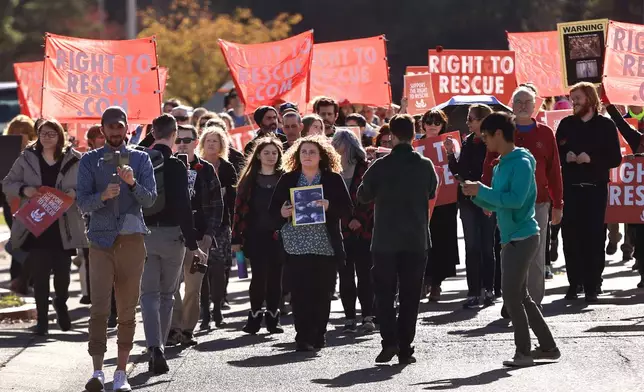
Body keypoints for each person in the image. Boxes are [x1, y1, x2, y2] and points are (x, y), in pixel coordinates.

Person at [462, 112, 560, 367]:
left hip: (522, 236)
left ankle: (524, 353)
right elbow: (498, 201)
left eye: (485, 135)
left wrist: (482, 192)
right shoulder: (503, 162)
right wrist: (476, 194)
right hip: (513, 236)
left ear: (497, 134)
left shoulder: (521, 162)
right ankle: (548, 347)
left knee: (512, 296)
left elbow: (515, 200)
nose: (483, 140)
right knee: (521, 296)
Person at [77, 106, 157, 392]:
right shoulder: (89, 161)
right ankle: (97, 370)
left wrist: (132, 183)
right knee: (98, 308)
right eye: (109, 127)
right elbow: (82, 203)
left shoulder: (140, 158)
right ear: (102, 129)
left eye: (119, 126)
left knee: (126, 308)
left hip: (132, 239)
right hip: (99, 241)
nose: (115, 131)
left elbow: (150, 201)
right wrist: (103, 196)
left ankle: (121, 372)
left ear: (127, 128)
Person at [358, 114, 438, 365]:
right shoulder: (425, 165)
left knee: (384, 293)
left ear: (391, 135)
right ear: (414, 134)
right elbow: (432, 191)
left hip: (385, 240)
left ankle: (389, 342)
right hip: (415, 239)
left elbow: (362, 196)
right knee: (410, 295)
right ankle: (406, 346)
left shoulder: (380, 166)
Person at [3, 119, 87, 336]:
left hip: (63, 227)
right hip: (37, 225)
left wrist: (74, 194)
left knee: (63, 277)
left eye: (52, 133)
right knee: (40, 277)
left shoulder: (74, 159)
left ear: (60, 136)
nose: (47, 137)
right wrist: (25, 190)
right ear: (37, 135)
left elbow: (87, 187)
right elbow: (8, 183)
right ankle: (42, 321)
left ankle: (60, 302)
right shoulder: (27, 158)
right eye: (43, 133)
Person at [269, 135, 352, 352]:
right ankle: (303, 336)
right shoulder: (288, 179)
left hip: (325, 245)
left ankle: (319, 334)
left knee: (322, 292)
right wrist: (282, 212)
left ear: (321, 156)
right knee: (300, 292)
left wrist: (328, 206)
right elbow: (272, 213)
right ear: (297, 155)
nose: (307, 156)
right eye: (303, 152)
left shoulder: (333, 179)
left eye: (312, 152)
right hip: (295, 245)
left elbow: (347, 209)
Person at [140, 114, 207, 374]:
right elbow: (183, 206)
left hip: (143, 235)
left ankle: (153, 345)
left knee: (147, 296)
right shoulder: (178, 166)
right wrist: (193, 245)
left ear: (153, 132)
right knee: (167, 294)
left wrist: (151, 134)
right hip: (172, 237)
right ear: (175, 134)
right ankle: (162, 348)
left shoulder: (140, 159)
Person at [556, 82, 622, 302]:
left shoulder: (605, 126)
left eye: (578, 98)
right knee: (571, 237)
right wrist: (566, 156)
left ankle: (593, 284)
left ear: (591, 100)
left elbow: (615, 158)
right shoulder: (565, 124)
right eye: (572, 98)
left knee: (594, 237)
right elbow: (557, 153)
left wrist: (591, 159)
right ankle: (575, 283)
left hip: (595, 189)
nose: (574, 102)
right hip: (571, 190)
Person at [167, 124, 223, 346]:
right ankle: (173, 328)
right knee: (170, 286)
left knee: (193, 286)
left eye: (187, 139)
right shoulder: (166, 167)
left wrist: (210, 234)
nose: (182, 143)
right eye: (178, 139)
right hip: (171, 236)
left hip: (200, 237)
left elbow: (218, 205)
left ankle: (188, 330)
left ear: (195, 141)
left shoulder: (206, 169)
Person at [232, 137, 285, 334]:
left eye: (274, 153)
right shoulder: (249, 180)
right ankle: (254, 316)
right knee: (259, 278)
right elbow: (238, 210)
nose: (271, 157)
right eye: (266, 153)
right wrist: (236, 238)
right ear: (258, 155)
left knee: (275, 278)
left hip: (279, 235)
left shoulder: (285, 178)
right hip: (255, 236)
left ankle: (273, 317)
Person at [445, 104, 496, 308]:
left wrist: (488, 198)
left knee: (487, 246)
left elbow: (492, 172)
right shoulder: (467, 142)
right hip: (467, 200)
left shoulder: (492, 143)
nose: (468, 122)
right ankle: (473, 291)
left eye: (471, 118)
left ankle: (489, 289)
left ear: (483, 120)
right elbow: (460, 171)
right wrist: (450, 154)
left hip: (487, 198)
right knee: (472, 246)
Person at [332, 129, 375, 333]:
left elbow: (372, 198)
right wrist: (346, 220)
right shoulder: (331, 173)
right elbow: (331, 201)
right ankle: (349, 317)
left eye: (341, 145)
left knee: (365, 275)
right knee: (345, 276)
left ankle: (368, 315)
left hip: (364, 231)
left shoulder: (365, 169)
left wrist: (359, 219)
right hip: (341, 232)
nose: (338, 150)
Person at [197, 127, 238, 328]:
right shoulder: (195, 166)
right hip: (200, 225)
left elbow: (233, 200)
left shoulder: (228, 168)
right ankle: (204, 310)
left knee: (219, 267)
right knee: (200, 269)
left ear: (222, 145)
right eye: (208, 140)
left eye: (215, 141)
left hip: (222, 225)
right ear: (202, 143)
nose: (211, 144)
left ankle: (218, 307)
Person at [420, 109, 460, 303]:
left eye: (437, 122)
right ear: (423, 124)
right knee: (424, 241)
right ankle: (424, 280)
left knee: (442, 241)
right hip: (423, 202)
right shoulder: (415, 145)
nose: (433, 125)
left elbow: (458, 167)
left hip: (446, 201)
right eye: (429, 121)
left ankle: (437, 283)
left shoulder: (450, 142)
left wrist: (453, 152)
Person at [605, 101, 644, 288]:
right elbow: (621, 124)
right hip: (639, 201)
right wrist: (609, 105)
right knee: (639, 236)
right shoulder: (637, 139)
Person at [2, 114, 37, 294]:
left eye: (24, 131)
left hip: (33, 204)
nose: (19, 134)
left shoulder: (38, 152)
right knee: (18, 238)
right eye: (16, 131)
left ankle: (25, 278)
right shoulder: (5, 152)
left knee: (31, 241)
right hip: (12, 203)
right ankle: (18, 278)